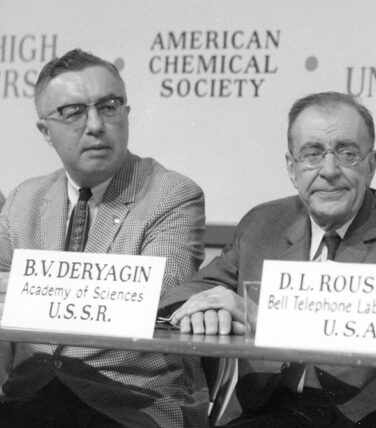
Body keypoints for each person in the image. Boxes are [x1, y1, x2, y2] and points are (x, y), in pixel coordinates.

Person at [163, 92, 376, 427]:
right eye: (312, 154)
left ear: (371, 165)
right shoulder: (264, 223)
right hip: (267, 411)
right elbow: (181, 296)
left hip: (368, 416)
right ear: (292, 168)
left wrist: (263, 319)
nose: (329, 170)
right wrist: (207, 309)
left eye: (347, 153)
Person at [0, 49, 208, 426]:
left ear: (126, 114)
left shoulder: (172, 194)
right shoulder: (23, 200)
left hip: (130, 399)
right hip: (32, 392)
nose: (95, 125)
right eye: (73, 112)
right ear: (45, 131)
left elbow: (150, 294)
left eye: (108, 106)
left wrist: (24, 287)